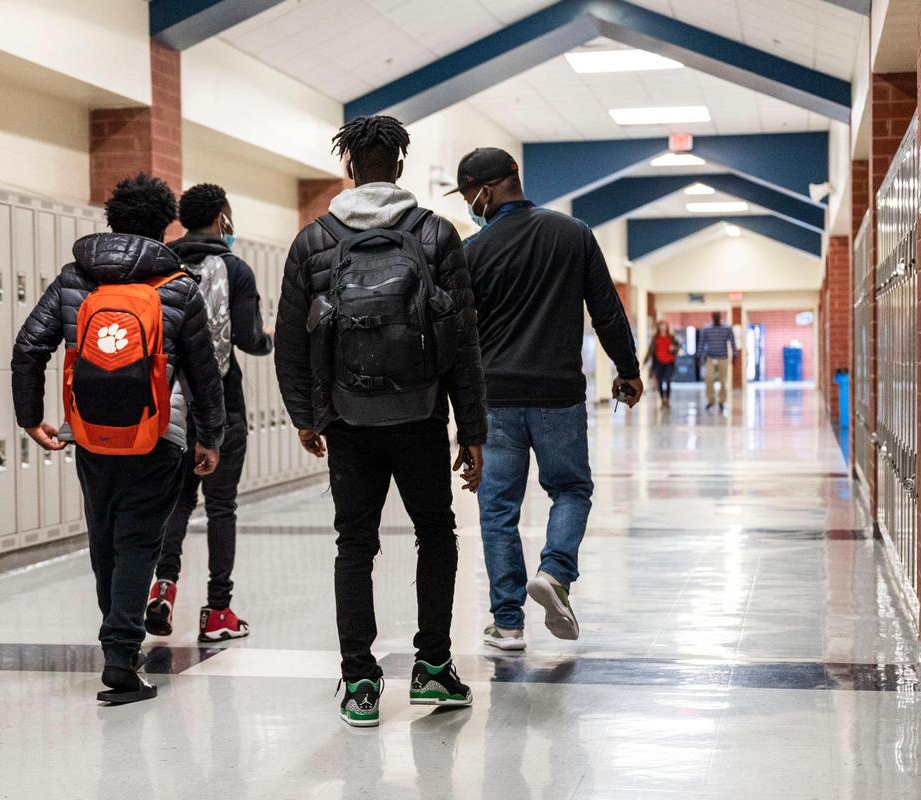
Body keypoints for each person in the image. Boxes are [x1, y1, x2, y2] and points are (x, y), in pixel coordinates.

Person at [274, 115, 487, 727]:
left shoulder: (313, 240)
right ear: (399, 166)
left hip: (346, 418)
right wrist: (471, 430)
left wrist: (306, 416)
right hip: (420, 416)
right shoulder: (435, 234)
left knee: (354, 546)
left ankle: (361, 682)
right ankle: (434, 669)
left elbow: (291, 339)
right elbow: (462, 343)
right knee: (436, 535)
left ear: (348, 168)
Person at [11, 174, 225, 704]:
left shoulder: (73, 279)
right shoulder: (178, 287)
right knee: (138, 541)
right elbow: (204, 374)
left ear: (110, 219)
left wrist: (31, 417)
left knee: (104, 535)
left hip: (89, 433)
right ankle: (119, 653)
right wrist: (211, 437)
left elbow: (29, 346)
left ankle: (118, 643)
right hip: (158, 434)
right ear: (164, 224)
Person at [452, 147, 641, 652]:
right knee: (571, 490)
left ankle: (508, 623)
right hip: (557, 395)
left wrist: (464, 417)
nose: (469, 204)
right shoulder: (572, 234)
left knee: (497, 510)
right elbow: (607, 312)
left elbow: (460, 341)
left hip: (495, 400)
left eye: (469, 194)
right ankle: (554, 572)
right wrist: (628, 369)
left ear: (486, 191)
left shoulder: (472, 252)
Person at [145, 184, 274, 643]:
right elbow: (247, 337)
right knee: (222, 507)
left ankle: (164, 587)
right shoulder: (234, 269)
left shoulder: (161, 262)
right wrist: (268, 337)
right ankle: (218, 611)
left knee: (177, 502)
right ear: (222, 217)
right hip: (220, 405)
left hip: (169, 406)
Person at [699, 311, 736, 411]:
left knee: (723, 381)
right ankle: (711, 400)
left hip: (723, 358)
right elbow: (702, 343)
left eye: (717, 316)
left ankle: (722, 401)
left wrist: (734, 355)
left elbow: (732, 342)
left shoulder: (727, 328)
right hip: (710, 358)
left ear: (720, 317)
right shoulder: (706, 328)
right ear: (712, 317)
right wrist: (699, 356)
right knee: (708, 378)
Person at [645, 320, 681, 408]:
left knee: (668, 380)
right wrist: (645, 361)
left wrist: (674, 348)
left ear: (667, 327)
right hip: (658, 362)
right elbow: (650, 350)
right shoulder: (655, 337)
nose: (662, 327)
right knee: (659, 382)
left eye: (664, 325)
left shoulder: (672, 337)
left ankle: (668, 399)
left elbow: (678, 347)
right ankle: (662, 400)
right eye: (661, 326)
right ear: (658, 327)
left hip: (669, 362)